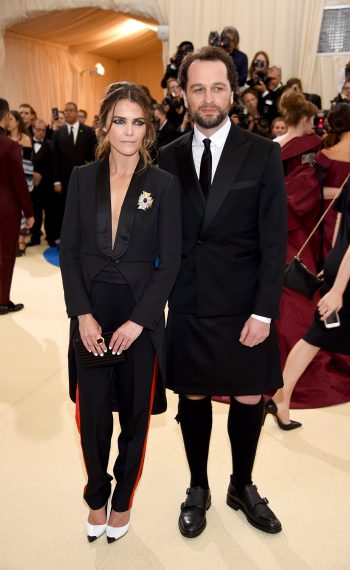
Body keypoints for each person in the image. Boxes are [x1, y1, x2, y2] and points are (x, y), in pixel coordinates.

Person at [158, 46, 287, 538]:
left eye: (217, 88)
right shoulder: (166, 157)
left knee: (249, 395)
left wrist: (265, 311)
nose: (207, 98)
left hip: (244, 304)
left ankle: (242, 484)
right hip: (189, 301)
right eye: (197, 89)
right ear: (183, 95)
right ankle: (198, 486)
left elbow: (275, 240)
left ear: (233, 92)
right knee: (191, 396)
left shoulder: (262, 152)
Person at [59, 82, 181, 543]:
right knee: (91, 416)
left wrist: (139, 321)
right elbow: (69, 253)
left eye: (138, 121)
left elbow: (169, 263)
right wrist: (83, 315)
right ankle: (96, 496)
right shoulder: (81, 178)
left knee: (134, 417)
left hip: (140, 316)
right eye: (119, 120)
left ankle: (124, 499)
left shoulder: (163, 186)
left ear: (148, 130)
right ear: (104, 125)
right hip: (91, 312)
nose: (128, 131)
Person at [266, 104, 350, 425]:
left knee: (316, 321)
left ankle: (282, 398)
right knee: (319, 319)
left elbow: (308, 196)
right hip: (329, 235)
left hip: (325, 232)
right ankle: (282, 396)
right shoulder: (314, 151)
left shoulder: (318, 153)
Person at [0, 98, 33, 315]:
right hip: (6, 208)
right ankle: (2, 300)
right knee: (5, 255)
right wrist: (29, 212)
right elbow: (20, 183)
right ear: (4, 116)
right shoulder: (10, 146)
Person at [53, 101, 97, 232]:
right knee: (65, 210)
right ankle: (66, 238)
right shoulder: (57, 133)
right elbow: (54, 159)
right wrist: (56, 181)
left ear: (77, 112)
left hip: (84, 179)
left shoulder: (89, 132)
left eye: (71, 110)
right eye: (65, 110)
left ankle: (85, 237)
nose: (67, 112)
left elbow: (93, 157)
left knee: (84, 209)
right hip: (64, 179)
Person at [7, 110, 34, 255]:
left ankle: (21, 241)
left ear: (17, 121)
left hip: (21, 180)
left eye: (11, 119)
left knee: (22, 211)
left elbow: (28, 164)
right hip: (6, 183)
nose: (8, 122)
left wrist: (26, 184)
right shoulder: (3, 137)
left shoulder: (25, 139)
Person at [30, 119, 59, 247]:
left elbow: (54, 166)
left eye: (42, 130)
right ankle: (35, 237)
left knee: (50, 213)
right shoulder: (26, 142)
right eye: (37, 129)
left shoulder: (51, 144)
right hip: (31, 186)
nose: (39, 132)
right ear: (33, 129)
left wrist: (43, 176)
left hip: (47, 185)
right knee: (34, 212)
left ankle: (50, 237)